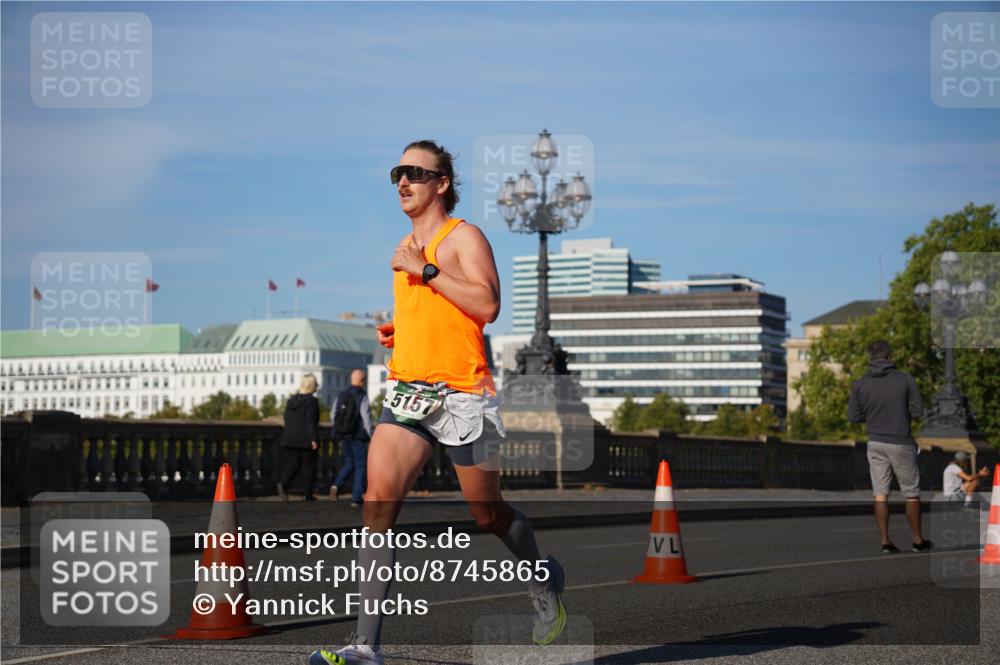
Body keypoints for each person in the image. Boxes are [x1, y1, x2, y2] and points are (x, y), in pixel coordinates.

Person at [309, 141, 565, 665]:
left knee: (487, 514)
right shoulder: (404, 246)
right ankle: (365, 646)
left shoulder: (462, 237)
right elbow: (436, 314)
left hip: (464, 395)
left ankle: (542, 577)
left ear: (442, 183)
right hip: (409, 390)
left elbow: (487, 304)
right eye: (397, 173)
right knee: (378, 506)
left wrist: (423, 270)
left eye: (416, 174)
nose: (403, 182)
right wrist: (399, 330)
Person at [849, 340, 932, 554]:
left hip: (875, 442)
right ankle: (917, 540)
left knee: (880, 493)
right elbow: (916, 411)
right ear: (890, 356)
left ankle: (885, 542)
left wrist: (874, 414)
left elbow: (854, 417)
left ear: (870, 358)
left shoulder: (860, 383)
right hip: (901, 441)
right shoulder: (905, 379)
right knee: (911, 493)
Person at [331, 369, 374, 507]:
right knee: (361, 465)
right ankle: (356, 497)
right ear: (362, 381)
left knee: (349, 462)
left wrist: (341, 429)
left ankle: (336, 486)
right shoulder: (362, 395)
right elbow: (366, 417)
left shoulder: (342, 395)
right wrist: (372, 435)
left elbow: (333, 414)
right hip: (358, 436)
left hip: (345, 435)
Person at [277, 374, 321, 501]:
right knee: (309, 467)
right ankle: (307, 494)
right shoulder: (312, 402)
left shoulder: (291, 401)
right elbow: (310, 422)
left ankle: (283, 484)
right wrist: (313, 439)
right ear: (312, 386)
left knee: (291, 466)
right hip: (305, 440)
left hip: (289, 438)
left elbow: (286, 418)